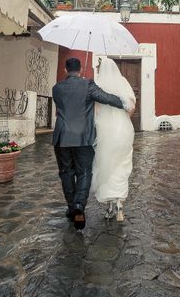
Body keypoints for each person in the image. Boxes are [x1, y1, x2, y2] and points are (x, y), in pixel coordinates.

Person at [52, 57, 132, 230]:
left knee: (66, 173)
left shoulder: (56, 88)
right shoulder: (88, 85)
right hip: (83, 138)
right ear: (80, 69)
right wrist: (124, 102)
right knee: (84, 172)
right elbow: (106, 98)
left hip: (62, 137)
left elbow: (65, 106)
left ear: (65, 70)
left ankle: (71, 207)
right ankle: (79, 206)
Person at [90, 57, 136, 222]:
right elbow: (131, 106)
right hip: (123, 129)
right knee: (122, 165)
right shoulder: (123, 82)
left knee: (105, 164)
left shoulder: (97, 84)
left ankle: (109, 206)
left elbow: (95, 111)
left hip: (105, 130)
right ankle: (120, 205)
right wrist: (124, 120)